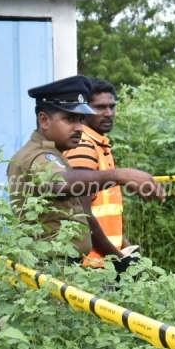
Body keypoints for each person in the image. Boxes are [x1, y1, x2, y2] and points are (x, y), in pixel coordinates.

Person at [8, 76, 163, 261]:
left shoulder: (54, 154)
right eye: (70, 119)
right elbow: (60, 183)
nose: (79, 127)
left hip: (64, 266)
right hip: (52, 268)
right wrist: (120, 175)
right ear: (44, 120)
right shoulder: (38, 155)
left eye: (81, 120)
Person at [62, 78, 133, 264]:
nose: (108, 113)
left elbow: (105, 211)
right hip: (92, 267)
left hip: (104, 261)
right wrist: (118, 260)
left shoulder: (99, 145)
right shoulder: (83, 146)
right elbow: (81, 214)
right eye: (100, 107)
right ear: (83, 111)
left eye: (112, 106)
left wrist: (124, 246)